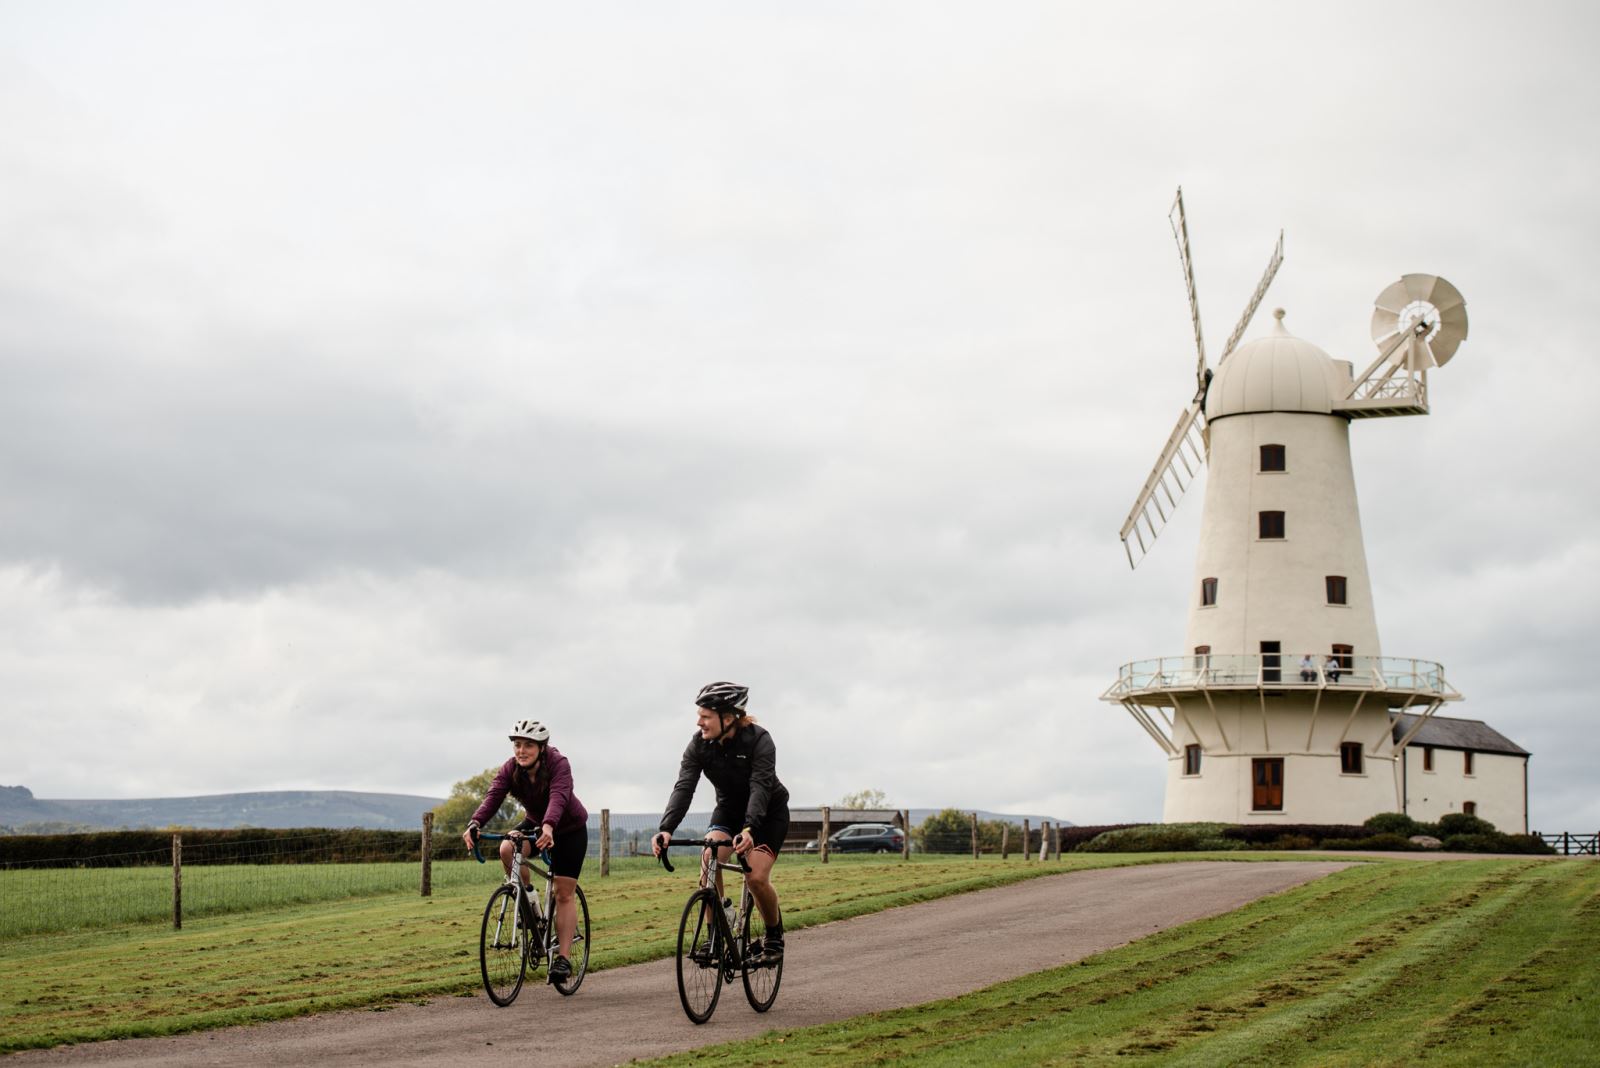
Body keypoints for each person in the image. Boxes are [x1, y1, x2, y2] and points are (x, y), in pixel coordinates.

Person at [651, 681, 791, 964]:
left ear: (728, 718)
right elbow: (684, 787)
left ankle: (774, 933)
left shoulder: (759, 740)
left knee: (755, 877)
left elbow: (760, 787)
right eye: (699, 715)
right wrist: (666, 828)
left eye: (706, 715)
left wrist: (750, 827)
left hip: (767, 813)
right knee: (709, 859)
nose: (699, 721)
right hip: (728, 811)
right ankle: (715, 934)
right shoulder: (698, 746)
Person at [461, 719, 589, 984]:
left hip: (569, 829)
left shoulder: (558, 764)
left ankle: (563, 961)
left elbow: (559, 796)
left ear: (541, 747)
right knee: (507, 847)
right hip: (535, 822)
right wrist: (475, 822)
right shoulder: (510, 769)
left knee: (562, 893)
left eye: (528, 745)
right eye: (517, 745)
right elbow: (493, 795)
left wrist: (549, 826)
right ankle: (527, 896)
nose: (521, 751)